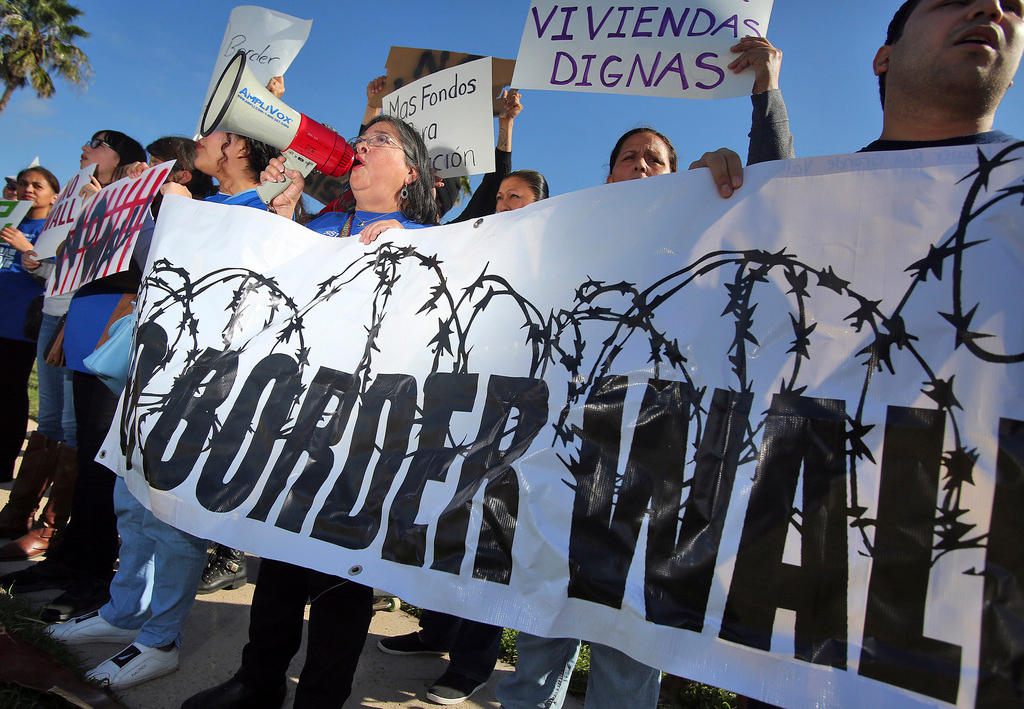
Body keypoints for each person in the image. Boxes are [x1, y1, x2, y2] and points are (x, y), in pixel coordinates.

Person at [497, 36, 794, 709]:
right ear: (607, 178)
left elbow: (778, 202)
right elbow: (490, 235)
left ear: (677, 173)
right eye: (628, 158)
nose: (641, 167)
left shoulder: (705, 242)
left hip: (654, 486)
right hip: (566, 475)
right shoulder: (569, 240)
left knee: (629, 664)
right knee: (539, 650)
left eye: (656, 160)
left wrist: (763, 96)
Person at [180, 115, 436, 709]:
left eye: (382, 142)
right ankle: (257, 682)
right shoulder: (317, 220)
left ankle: (320, 698)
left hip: (365, 433)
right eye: (362, 137)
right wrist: (284, 218)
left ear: (411, 171)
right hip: (292, 418)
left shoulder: (431, 239)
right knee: (275, 562)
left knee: (341, 580)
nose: (364, 146)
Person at [43, 133, 278, 690]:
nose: (200, 141)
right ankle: (123, 611)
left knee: (172, 514)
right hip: (150, 366)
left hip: (200, 377)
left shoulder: (266, 209)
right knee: (130, 497)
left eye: (216, 135)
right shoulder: (195, 203)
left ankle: (161, 638)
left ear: (241, 147)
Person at [376, 166, 550, 707]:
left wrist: (505, 130)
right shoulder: (476, 244)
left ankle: (473, 661)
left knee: (489, 531)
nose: (502, 204)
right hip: (457, 397)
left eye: (516, 197)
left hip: (511, 409)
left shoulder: (555, 251)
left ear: (542, 203)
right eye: (499, 197)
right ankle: (436, 631)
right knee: (441, 517)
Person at [863, 0, 1022, 151]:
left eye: (1010, 7)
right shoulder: (838, 178)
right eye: (957, 1)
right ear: (885, 59)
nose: (993, 7)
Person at [0, 166, 59, 490]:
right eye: (24, 183)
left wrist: (26, 247)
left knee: (9, 392)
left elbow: (53, 275)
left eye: (38, 185)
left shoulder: (55, 228)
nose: (28, 189)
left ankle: (4, 463)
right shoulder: (9, 219)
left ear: (54, 194)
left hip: (19, 323)